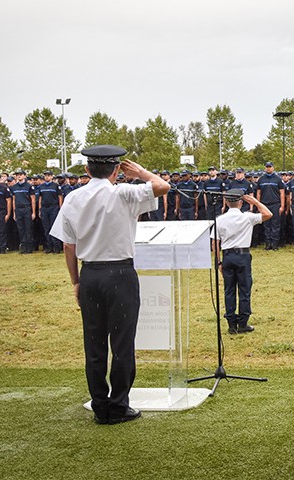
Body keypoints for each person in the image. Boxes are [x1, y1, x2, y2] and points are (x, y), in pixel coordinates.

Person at [49, 145, 170, 425]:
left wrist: (76, 282)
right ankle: (118, 404)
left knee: (94, 344)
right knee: (122, 343)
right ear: (116, 170)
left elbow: (69, 245)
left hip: (89, 273)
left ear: (87, 170)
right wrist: (140, 173)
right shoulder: (125, 193)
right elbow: (162, 186)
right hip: (120, 274)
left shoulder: (73, 198)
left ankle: (100, 405)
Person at [212, 189, 272, 334]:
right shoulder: (247, 217)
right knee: (244, 290)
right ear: (241, 202)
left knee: (229, 290)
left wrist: (218, 262)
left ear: (226, 203)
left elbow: (215, 243)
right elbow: (268, 214)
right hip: (243, 256)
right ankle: (243, 323)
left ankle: (231, 324)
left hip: (227, 256)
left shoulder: (219, 220)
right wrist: (255, 201)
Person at [256, 161, 285, 250]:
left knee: (275, 225)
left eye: (270, 167)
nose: (268, 168)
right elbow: (258, 193)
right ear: (265, 168)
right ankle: (268, 244)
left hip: (275, 204)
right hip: (265, 205)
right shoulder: (261, 179)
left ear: (273, 168)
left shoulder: (278, 179)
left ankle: (275, 244)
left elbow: (282, 193)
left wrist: (282, 206)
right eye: (267, 167)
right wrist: (259, 205)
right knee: (266, 225)